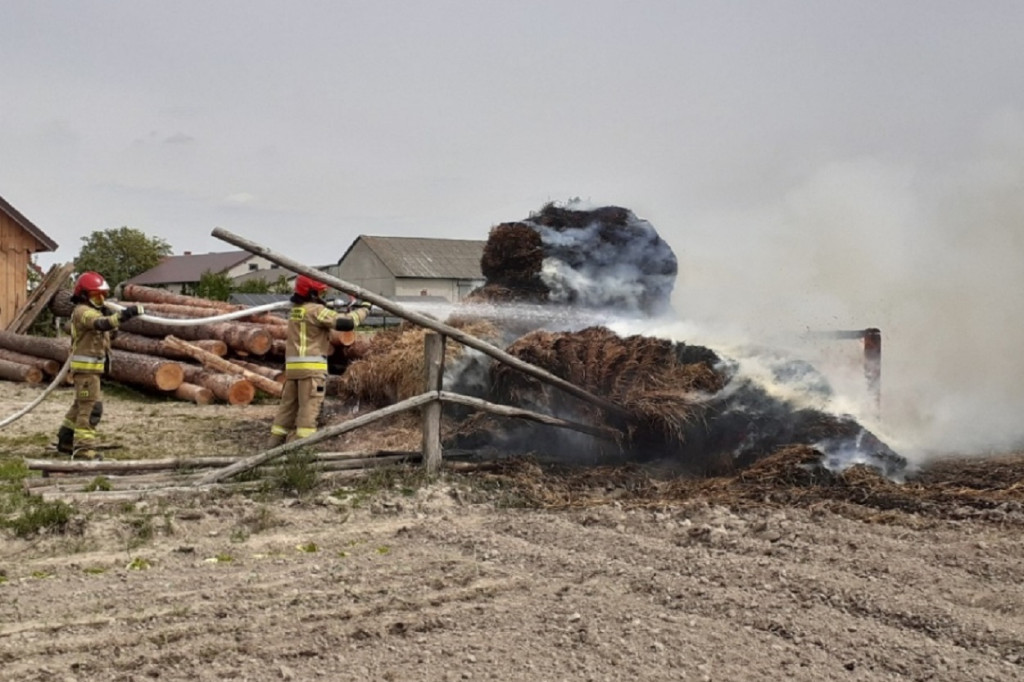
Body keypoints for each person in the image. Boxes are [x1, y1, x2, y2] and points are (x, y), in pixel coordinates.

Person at [269, 275, 371, 447]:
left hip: (293, 370)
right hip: (312, 371)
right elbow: (346, 323)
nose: (323, 295)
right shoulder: (316, 311)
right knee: (308, 413)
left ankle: (273, 446)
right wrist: (365, 309)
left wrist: (328, 306)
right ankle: (300, 452)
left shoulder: (296, 309)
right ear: (312, 292)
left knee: (286, 411)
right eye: (321, 292)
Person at [55, 271, 143, 459]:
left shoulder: (93, 311)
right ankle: (83, 450)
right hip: (86, 372)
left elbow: (107, 333)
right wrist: (123, 316)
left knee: (81, 406)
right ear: (84, 295)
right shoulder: (82, 311)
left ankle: (66, 440)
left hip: (90, 372)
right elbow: (100, 324)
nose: (101, 299)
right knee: (91, 409)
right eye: (96, 296)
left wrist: (113, 323)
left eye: (103, 295)